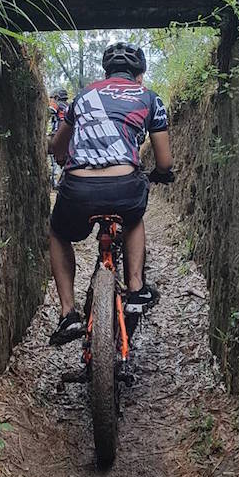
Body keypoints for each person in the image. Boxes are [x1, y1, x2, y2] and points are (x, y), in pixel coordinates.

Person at [46, 42, 174, 346]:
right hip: (124, 185)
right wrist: (160, 174)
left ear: (105, 73)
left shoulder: (83, 97)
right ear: (139, 75)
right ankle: (135, 288)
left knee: (58, 232)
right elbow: (165, 161)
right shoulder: (150, 98)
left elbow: (57, 148)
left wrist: (65, 159)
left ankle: (67, 315)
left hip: (78, 188)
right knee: (133, 216)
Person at [47, 89, 70, 187]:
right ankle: (62, 182)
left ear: (56, 97)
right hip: (68, 137)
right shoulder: (69, 106)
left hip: (56, 135)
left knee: (53, 159)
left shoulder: (57, 104)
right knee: (67, 161)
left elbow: (50, 111)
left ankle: (54, 182)